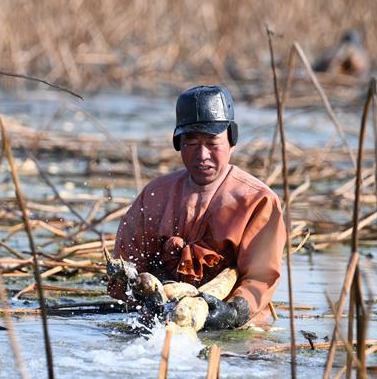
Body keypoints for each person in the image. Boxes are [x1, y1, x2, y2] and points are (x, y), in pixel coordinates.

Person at [108, 85, 285, 330]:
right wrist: (142, 293)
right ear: (178, 143)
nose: (202, 155)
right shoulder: (154, 195)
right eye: (191, 143)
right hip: (161, 323)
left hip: (237, 328)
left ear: (232, 140)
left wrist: (232, 313)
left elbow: (260, 278)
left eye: (212, 143)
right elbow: (125, 266)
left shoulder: (259, 201)